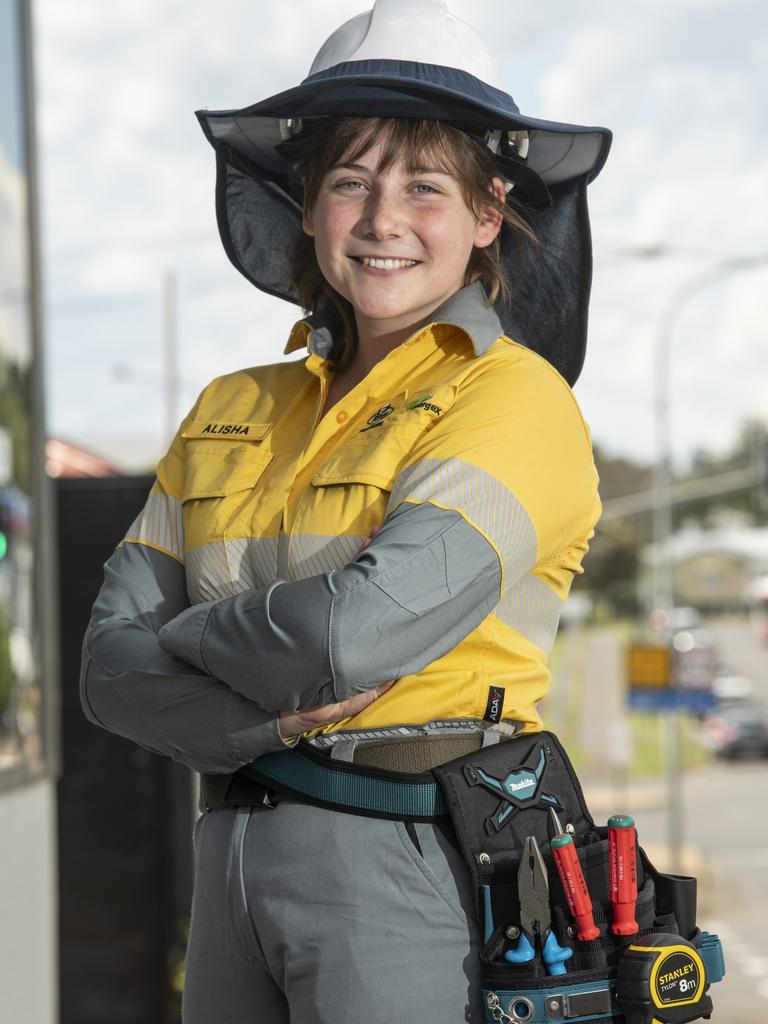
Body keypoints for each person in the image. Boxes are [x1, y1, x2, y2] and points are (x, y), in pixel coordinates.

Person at [79, 1, 611, 1021]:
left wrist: (182, 639)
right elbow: (107, 671)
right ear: (307, 203)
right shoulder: (230, 408)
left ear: (487, 214)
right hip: (230, 855)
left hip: (407, 864)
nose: (382, 221)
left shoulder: (516, 401)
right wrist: (266, 715)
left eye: (425, 187)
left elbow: (347, 636)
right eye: (349, 182)